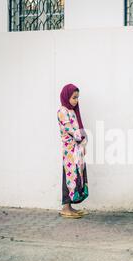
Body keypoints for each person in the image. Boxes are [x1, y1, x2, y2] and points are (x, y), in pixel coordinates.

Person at [57, 84, 89, 218]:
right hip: (69, 151)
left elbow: (78, 130)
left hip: (77, 150)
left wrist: (83, 142)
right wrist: (81, 138)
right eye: (74, 97)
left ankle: (70, 206)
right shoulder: (62, 111)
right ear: (66, 96)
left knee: (76, 175)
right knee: (69, 175)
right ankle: (65, 208)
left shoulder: (73, 111)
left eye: (77, 98)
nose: (76, 100)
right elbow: (70, 129)